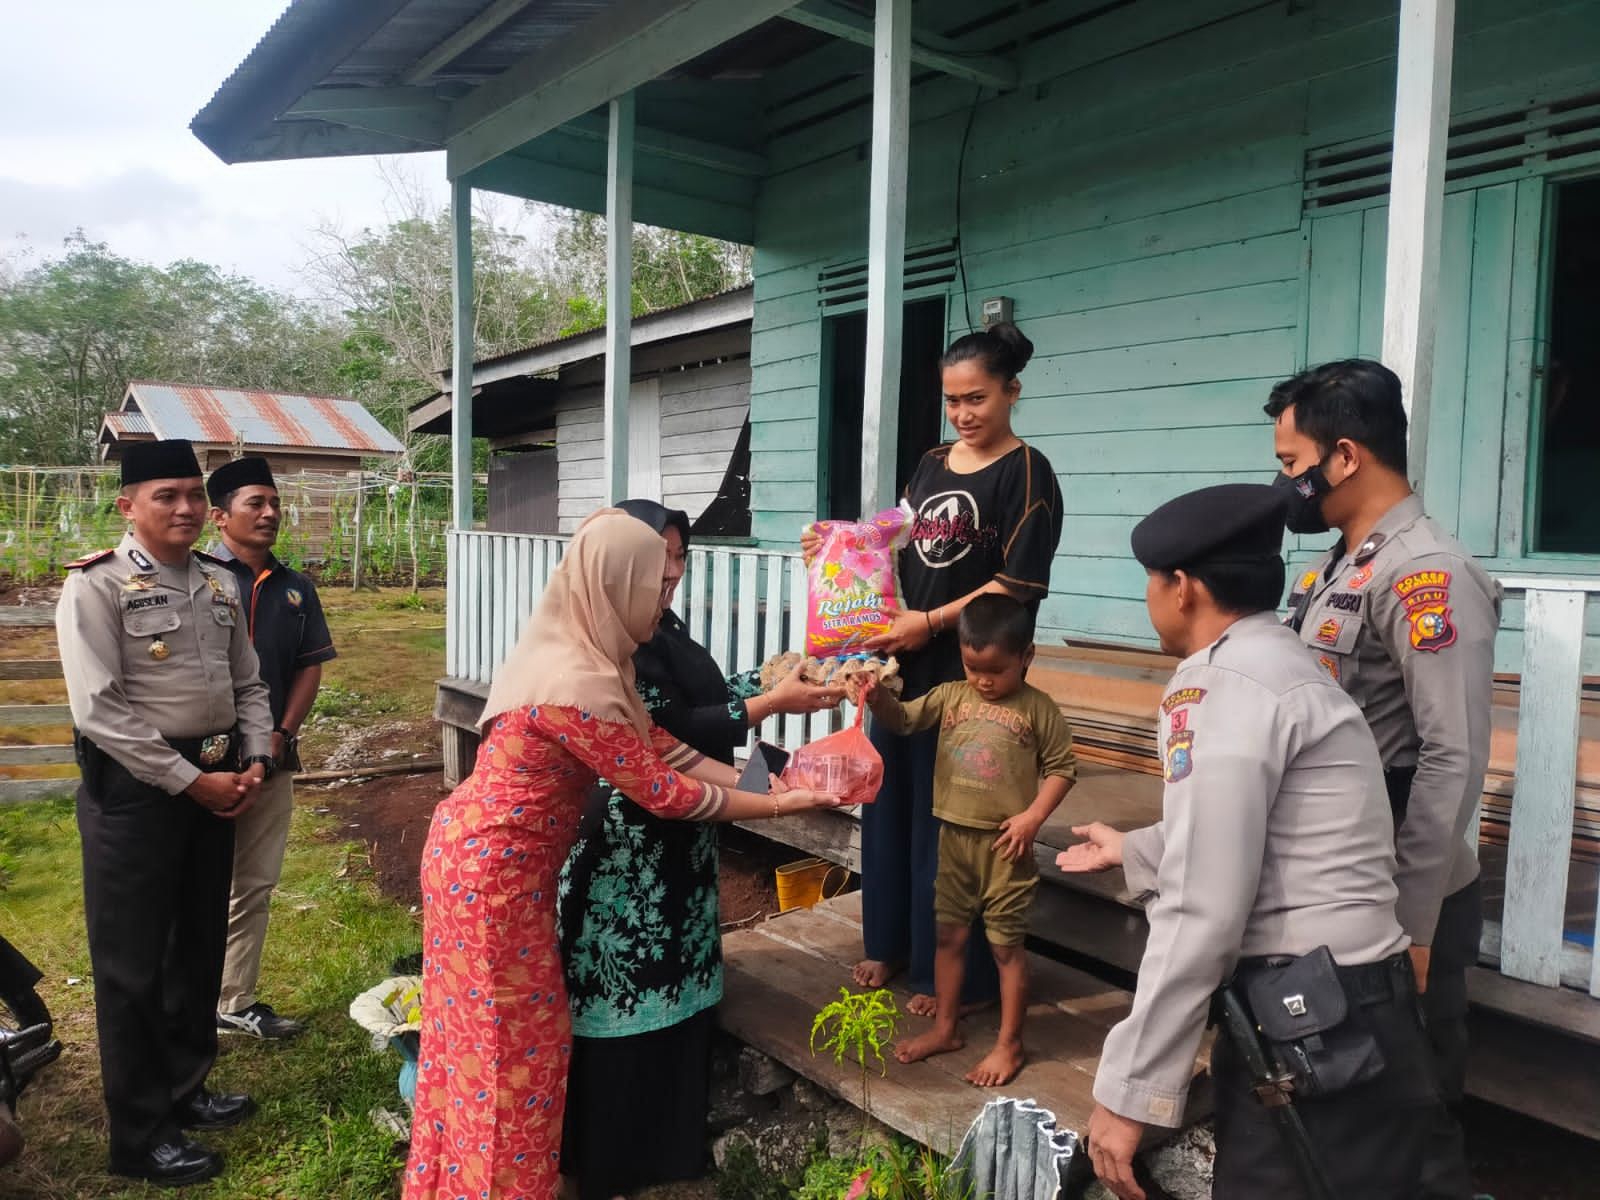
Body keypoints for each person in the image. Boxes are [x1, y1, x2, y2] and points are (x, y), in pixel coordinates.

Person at [404, 509, 846, 1200]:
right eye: (652, 577)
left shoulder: (594, 658)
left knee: (482, 1044)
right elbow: (668, 791)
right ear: (614, 581)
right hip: (492, 879)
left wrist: (771, 781)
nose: (666, 587)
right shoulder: (575, 683)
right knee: (509, 1056)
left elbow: (665, 747)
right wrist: (779, 806)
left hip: (485, 865)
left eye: (674, 568)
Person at [1062, 483, 1436, 1200]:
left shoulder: (1220, 685)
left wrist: (1127, 1093)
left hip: (1312, 1025)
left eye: (1151, 581)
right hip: (1366, 1009)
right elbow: (1266, 825)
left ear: (1182, 587)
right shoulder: (1290, 664)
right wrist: (1139, 848)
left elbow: (1203, 910)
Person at [557, 499, 842, 1200]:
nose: (672, 574)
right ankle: (603, 1163)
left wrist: (768, 698)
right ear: (616, 567)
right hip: (625, 850)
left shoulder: (651, 631)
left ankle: (665, 1151)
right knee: (625, 985)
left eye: (680, 558)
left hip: (676, 842)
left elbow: (677, 735)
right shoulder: (594, 653)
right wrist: (774, 787)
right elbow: (662, 761)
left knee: (675, 982)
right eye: (659, 560)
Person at [1267, 359, 1501, 1200]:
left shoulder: (1425, 575)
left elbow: (1452, 757)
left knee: (1418, 1101)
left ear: (1347, 456)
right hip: (1351, 865)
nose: (1284, 483)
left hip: (1409, 879)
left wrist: (1416, 921)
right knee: (1357, 1092)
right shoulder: (1343, 564)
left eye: (1293, 464)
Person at [803, 321, 1063, 1016]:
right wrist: (833, 547)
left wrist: (931, 623)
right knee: (886, 806)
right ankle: (887, 943)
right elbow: (887, 541)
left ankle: (944, 976)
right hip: (900, 670)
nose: (963, 414)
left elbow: (1017, 583)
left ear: (1012, 392)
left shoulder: (1029, 472)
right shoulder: (930, 463)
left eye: (976, 398)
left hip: (975, 675)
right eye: (952, 401)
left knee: (950, 824)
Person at [56, 439, 274, 1187]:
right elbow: (99, 710)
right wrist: (189, 781)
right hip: (138, 790)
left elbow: (249, 680)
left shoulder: (218, 580)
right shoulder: (97, 586)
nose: (184, 509)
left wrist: (252, 758)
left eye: (191, 494)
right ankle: (141, 1132)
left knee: (196, 945)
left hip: (216, 778)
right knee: (133, 965)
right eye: (165, 496)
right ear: (128, 506)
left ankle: (188, 1087)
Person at [856, 593, 1076, 1086]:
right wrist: (878, 699)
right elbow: (906, 720)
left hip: (1005, 848)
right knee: (949, 937)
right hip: (952, 841)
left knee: (1005, 948)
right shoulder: (952, 695)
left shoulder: (1038, 709)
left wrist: (1032, 819)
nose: (983, 680)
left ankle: (1009, 1043)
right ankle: (946, 1027)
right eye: (973, 666)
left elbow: (1063, 768)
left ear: (1027, 657)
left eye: (996, 670)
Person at [205, 456, 337, 1041]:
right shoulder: (196, 576)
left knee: (254, 881)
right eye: (255, 503)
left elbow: (309, 668)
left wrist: (280, 737)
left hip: (273, 760)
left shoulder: (294, 587)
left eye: (274, 503)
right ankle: (181, 998)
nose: (270, 513)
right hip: (196, 765)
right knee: (192, 880)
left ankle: (234, 997)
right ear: (219, 516)